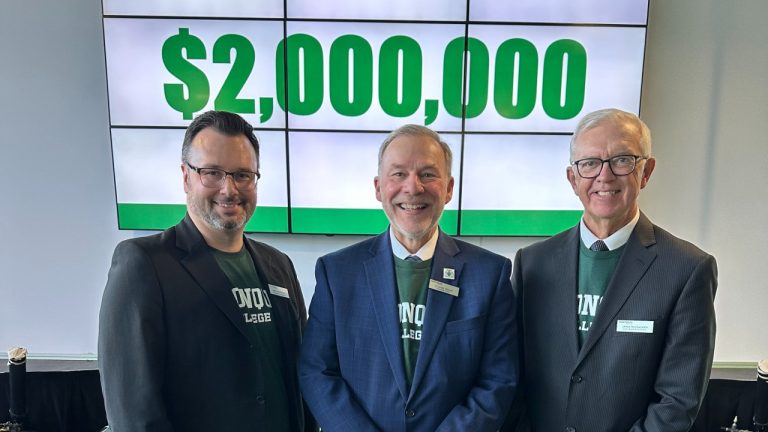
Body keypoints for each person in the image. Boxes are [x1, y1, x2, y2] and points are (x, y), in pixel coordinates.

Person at [98, 111, 312, 431]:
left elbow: (300, 376)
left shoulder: (278, 266)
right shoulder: (143, 264)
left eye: (242, 175)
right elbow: (133, 412)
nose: (229, 189)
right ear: (186, 177)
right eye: (212, 173)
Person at [506, 108, 717, 432]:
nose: (604, 177)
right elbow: (510, 376)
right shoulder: (532, 264)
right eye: (589, 163)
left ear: (645, 171)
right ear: (572, 178)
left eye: (622, 160)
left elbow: (677, 401)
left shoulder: (686, 270)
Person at [298, 124, 518, 431]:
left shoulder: (490, 274)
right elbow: (316, 372)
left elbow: (498, 379)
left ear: (449, 188)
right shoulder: (337, 273)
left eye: (428, 174)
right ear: (378, 187)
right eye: (398, 174)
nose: (413, 188)